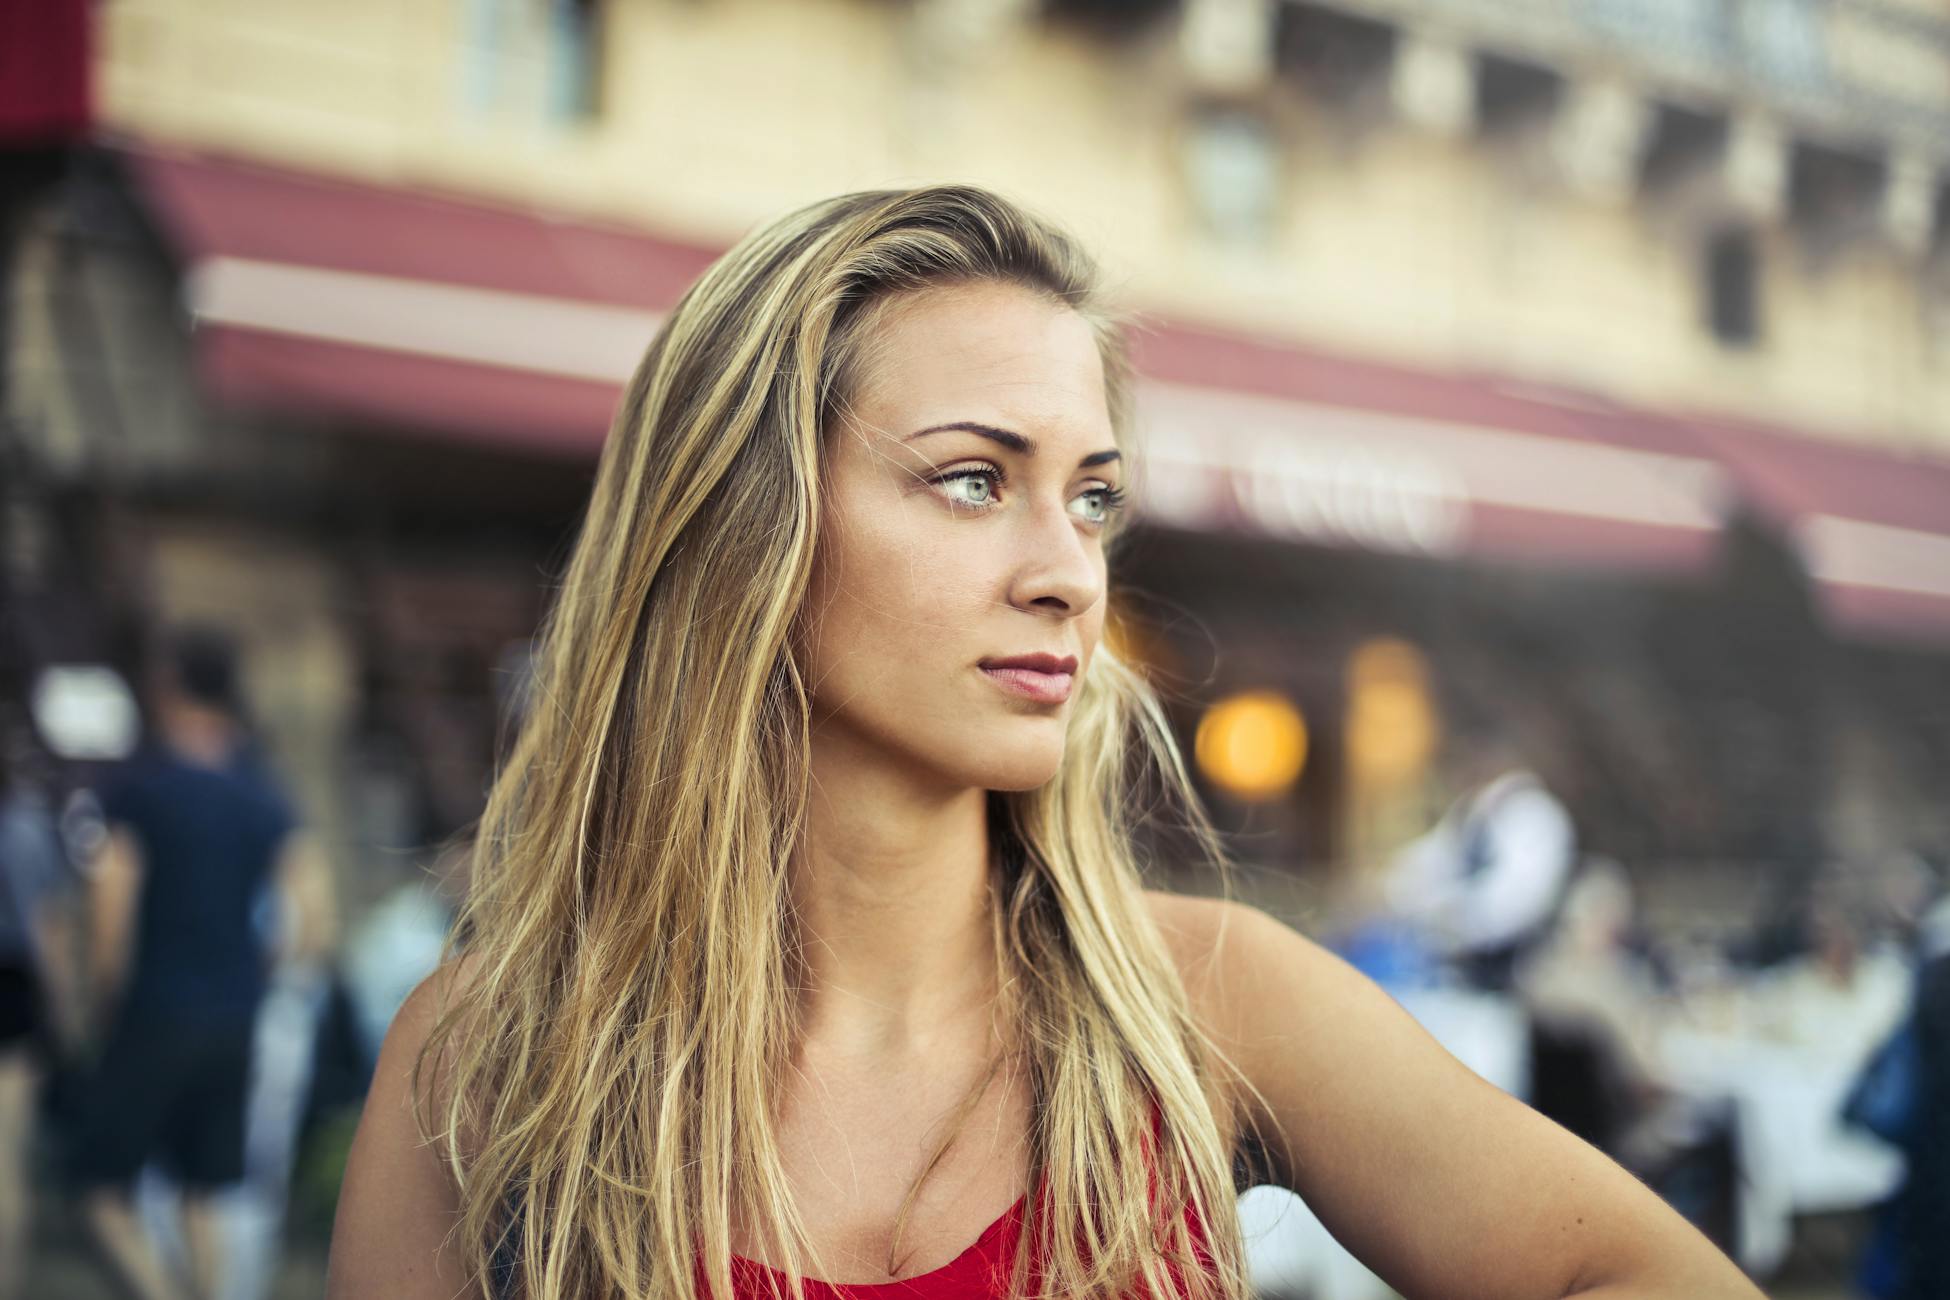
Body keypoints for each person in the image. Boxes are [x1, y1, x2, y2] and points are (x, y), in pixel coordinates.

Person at [326, 185, 1763, 1300]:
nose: (1070, 572)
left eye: (1091, 498)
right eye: (971, 480)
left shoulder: (1209, 1002)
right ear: (744, 528)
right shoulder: (486, 1060)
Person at [70, 628, 334, 1300]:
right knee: (204, 1194)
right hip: (235, 1016)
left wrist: (100, 1000)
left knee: (101, 1192)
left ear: (168, 685)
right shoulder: (261, 792)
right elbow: (314, 916)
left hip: (155, 1008)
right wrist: (258, 971)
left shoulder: (140, 786)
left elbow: (111, 907)